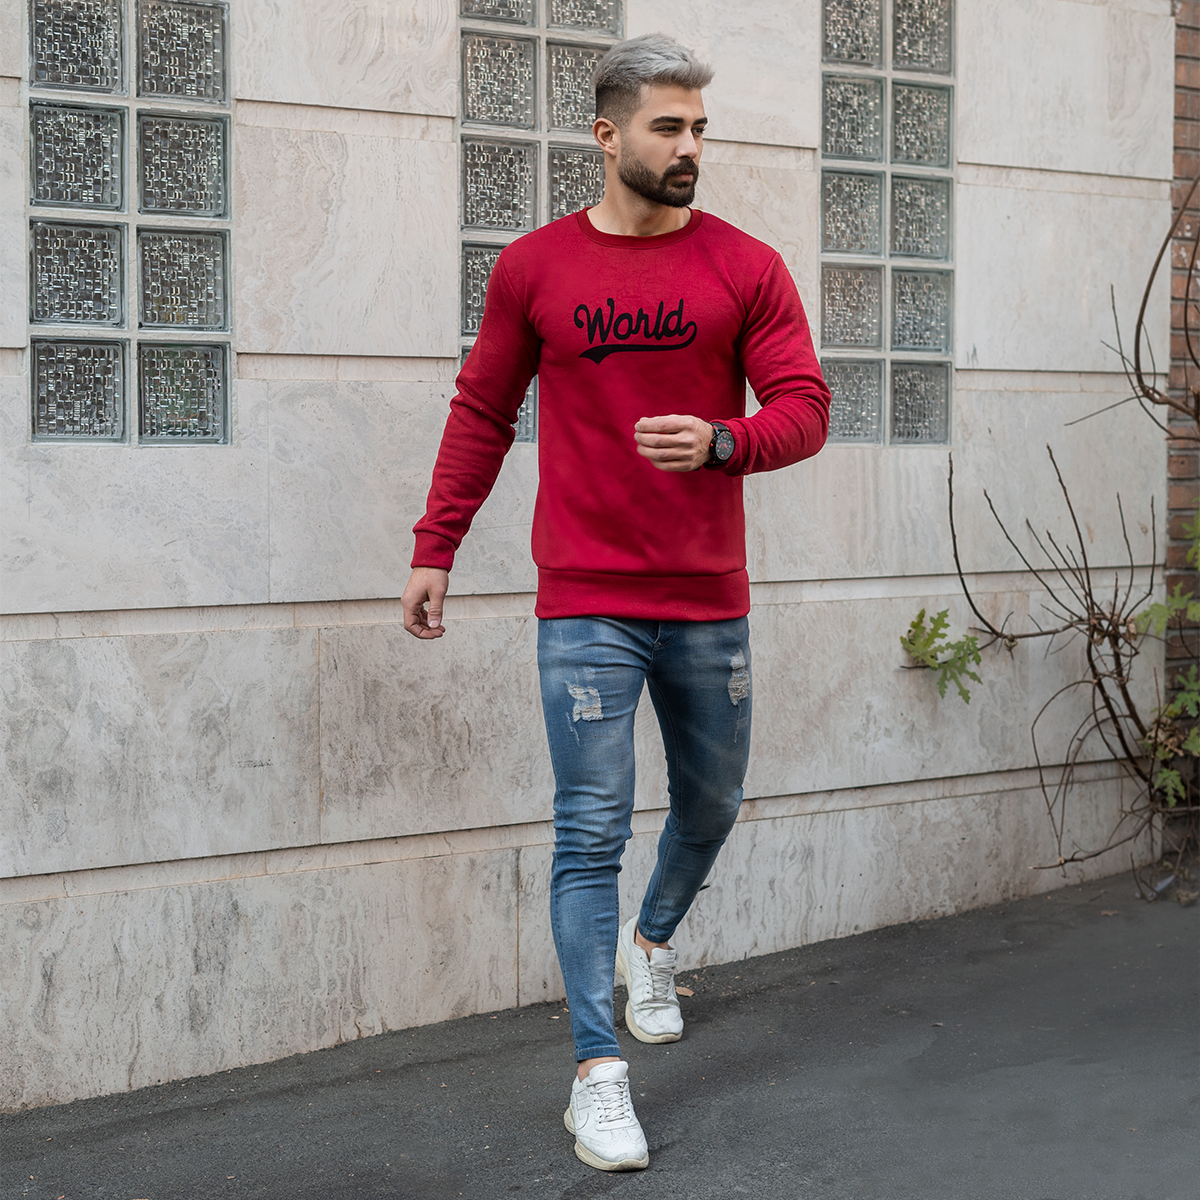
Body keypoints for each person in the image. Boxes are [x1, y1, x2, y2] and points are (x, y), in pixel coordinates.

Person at [402, 32, 830, 1172]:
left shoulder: (745, 267)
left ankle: (653, 942)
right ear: (606, 135)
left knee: (713, 803)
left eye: (700, 129)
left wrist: (727, 441)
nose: (691, 147)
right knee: (589, 829)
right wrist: (437, 545)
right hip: (584, 597)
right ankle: (597, 1072)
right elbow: (482, 410)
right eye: (668, 127)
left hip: (706, 597)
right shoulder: (534, 267)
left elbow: (805, 406)